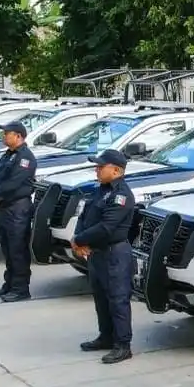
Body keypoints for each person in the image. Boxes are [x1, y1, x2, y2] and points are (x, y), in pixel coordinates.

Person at [71, 149, 135, 364]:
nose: (96, 170)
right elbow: (85, 216)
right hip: (97, 253)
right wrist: (77, 237)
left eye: (101, 166)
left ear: (116, 170)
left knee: (118, 299)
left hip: (114, 253)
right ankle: (106, 337)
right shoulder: (101, 190)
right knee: (101, 298)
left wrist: (79, 240)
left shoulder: (122, 195)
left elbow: (107, 227)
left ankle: (123, 345)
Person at [0, 121, 37, 302]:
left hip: (18, 208)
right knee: (6, 247)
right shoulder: (9, 155)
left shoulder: (25, 158)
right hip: (5, 207)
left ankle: (21, 288)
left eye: (7, 133)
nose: (4, 136)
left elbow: (14, 183)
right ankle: (10, 284)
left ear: (19, 136)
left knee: (17, 249)